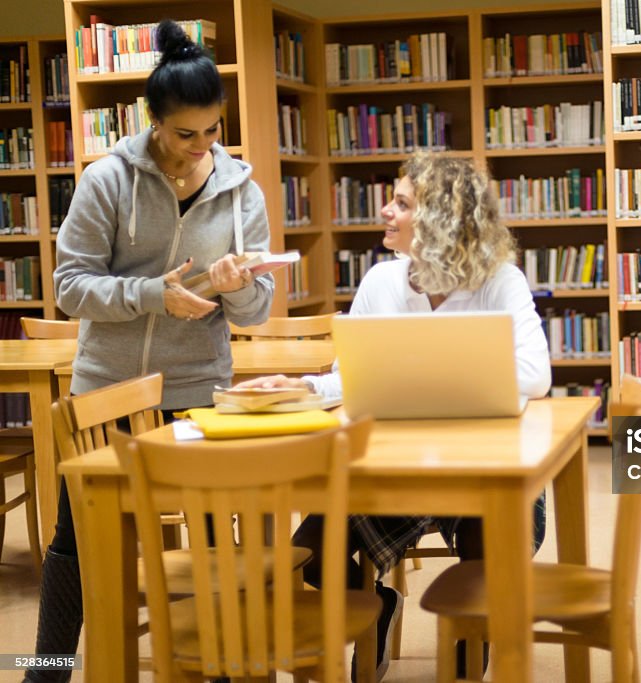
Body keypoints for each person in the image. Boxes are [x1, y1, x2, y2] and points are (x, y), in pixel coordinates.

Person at [238, 151, 552, 679]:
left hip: (478, 465)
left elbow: (535, 375)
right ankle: (379, 607)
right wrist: (306, 386)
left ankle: (469, 643)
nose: (386, 211)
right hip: (387, 467)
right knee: (308, 553)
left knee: (491, 542)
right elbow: (351, 377)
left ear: (439, 219)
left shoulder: (500, 280)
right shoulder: (381, 282)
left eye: (401, 203)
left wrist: (424, 362)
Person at [25, 20, 273, 683]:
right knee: (78, 544)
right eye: (184, 133)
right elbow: (70, 288)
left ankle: (224, 666)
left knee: (218, 534)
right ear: (153, 122)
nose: (201, 149)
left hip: (200, 389)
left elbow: (259, 309)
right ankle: (42, 669)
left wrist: (238, 288)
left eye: (213, 131)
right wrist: (152, 295)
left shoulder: (240, 190)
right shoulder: (108, 180)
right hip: (107, 387)